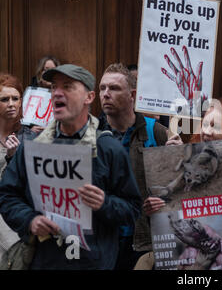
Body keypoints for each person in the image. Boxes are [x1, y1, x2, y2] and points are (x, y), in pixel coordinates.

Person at [0, 64, 141, 269]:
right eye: (54, 87)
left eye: (67, 86)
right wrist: (30, 220)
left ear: (89, 97)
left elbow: (132, 208)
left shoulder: (108, 149)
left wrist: (104, 204)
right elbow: (7, 196)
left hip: (93, 263)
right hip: (44, 261)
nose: (57, 92)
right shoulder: (33, 147)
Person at [158, 98, 222, 269]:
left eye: (215, 126)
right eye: (205, 124)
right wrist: (174, 157)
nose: (207, 131)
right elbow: (166, 211)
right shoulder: (187, 167)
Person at [98, 63, 168, 270]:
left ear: (133, 94)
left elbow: (178, 190)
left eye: (114, 88)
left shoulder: (156, 132)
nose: (106, 94)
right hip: (103, 238)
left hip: (144, 240)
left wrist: (177, 155)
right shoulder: (91, 133)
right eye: (102, 88)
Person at [0, 73, 35, 260]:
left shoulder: (29, 137)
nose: (11, 103)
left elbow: (29, 183)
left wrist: (12, 157)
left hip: (15, 213)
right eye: (4, 99)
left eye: (15, 98)